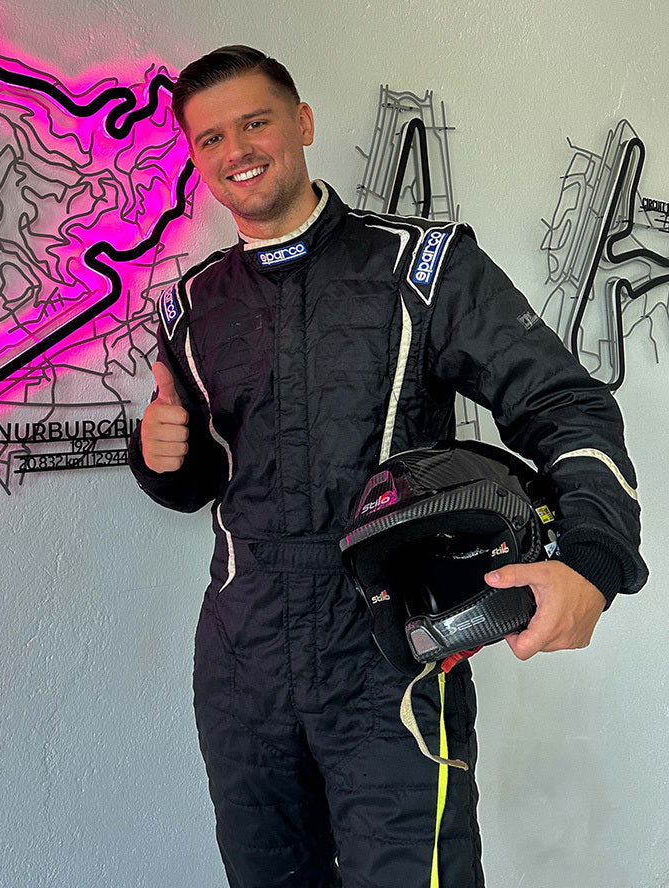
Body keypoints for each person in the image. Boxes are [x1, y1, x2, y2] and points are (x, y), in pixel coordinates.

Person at [126, 46, 646, 888]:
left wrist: (592, 559)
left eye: (255, 122)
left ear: (302, 123)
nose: (236, 150)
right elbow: (205, 479)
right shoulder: (193, 304)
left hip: (386, 648)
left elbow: (563, 403)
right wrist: (161, 457)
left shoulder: (422, 267)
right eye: (210, 138)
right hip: (240, 659)